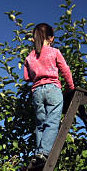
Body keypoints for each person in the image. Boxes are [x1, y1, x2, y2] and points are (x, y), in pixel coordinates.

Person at [23, 23, 74, 163]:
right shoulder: (54, 52)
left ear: (34, 38)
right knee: (52, 122)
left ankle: (38, 153)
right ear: (51, 38)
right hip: (53, 89)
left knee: (40, 124)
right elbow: (65, 70)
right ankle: (44, 152)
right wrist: (70, 87)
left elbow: (27, 77)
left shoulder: (30, 57)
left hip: (37, 92)